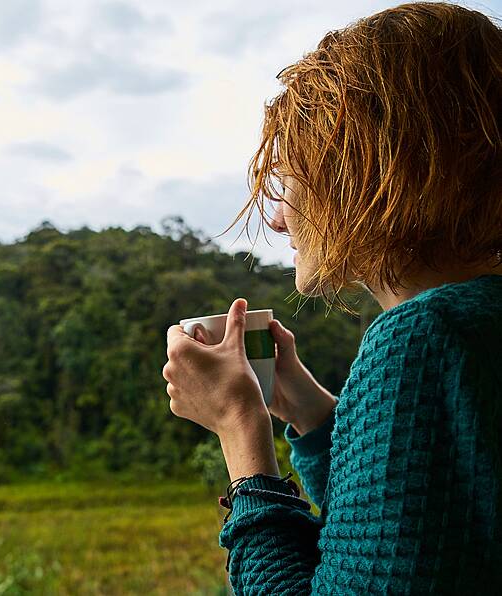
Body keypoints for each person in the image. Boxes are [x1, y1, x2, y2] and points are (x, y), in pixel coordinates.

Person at [162, 2, 502, 593]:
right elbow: (404, 536)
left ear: (365, 173)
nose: (276, 223)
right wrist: (308, 410)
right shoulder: (475, 322)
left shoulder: (420, 337)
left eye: (289, 185)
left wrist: (241, 431)